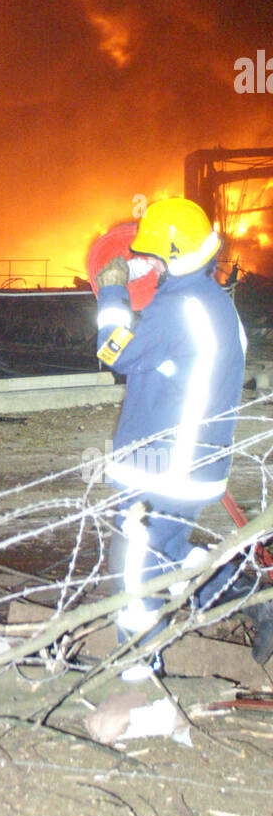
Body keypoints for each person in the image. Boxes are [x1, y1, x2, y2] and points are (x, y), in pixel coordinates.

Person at [95, 196, 273, 678]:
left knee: (134, 564)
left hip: (167, 466)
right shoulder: (212, 304)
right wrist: (138, 273)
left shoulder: (178, 310)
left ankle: (138, 667)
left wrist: (111, 292)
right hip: (194, 462)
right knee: (166, 549)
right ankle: (245, 588)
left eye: (153, 253)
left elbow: (114, 352)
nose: (147, 261)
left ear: (174, 255)